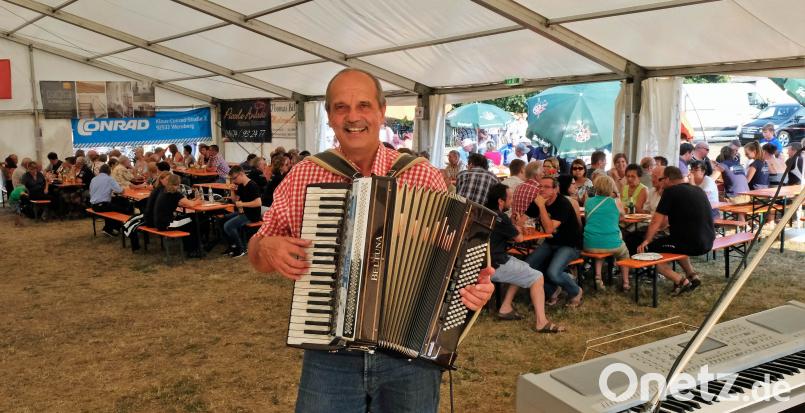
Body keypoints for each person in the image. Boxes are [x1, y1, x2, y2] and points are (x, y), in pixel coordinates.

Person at [247, 68, 492, 413]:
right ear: (330, 116)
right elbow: (256, 252)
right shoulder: (304, 174)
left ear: (381, 111)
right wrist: (266, 247)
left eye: (363, 105)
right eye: (341, 107)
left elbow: (459, 261)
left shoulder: (419, 173)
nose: (353, 117)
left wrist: (477, 288)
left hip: (410, 355)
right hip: (329, 353)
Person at [485, 184, 564, 333]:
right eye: (510, 198)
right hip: (495, 263)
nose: (512, 201)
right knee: (537, 276)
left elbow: (504, 233)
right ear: (501, 201)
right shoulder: (500, 217)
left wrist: (513, 225)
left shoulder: (484, 212)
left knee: (525, 269)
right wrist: (515, 227)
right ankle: (541, 322)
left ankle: (505, 307)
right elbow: (519, 238)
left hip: (484, 260)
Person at [637, 167, 713, 295]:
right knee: (676, 243)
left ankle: (679, 280)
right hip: (708, 241)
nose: (660, 183)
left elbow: (657, 221)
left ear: (667, 179)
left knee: (649, 249)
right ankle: (692, 276)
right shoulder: (697, 189)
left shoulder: (671, 192)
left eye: (661, 180)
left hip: (692, 243)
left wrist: (646, 240)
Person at [524, 176, 583, 307]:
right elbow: (523, 219)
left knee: (553, 273)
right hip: (551, 243)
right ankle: (553, 290)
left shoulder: (563, 204)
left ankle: (576, 291)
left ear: (555, 189)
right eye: (540, 186)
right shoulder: (538, 201)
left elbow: (549, 228)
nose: (541, 189)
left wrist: (541, 206)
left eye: (546, 187)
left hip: (570, 244)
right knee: (528, 266)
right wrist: (517, 219)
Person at [583, 175, 632, 291]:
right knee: (624, 254)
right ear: (612, 187)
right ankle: (626, 283)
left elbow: (587, 219)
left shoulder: (588, 202)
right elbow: (622, 217)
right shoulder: (615, 202)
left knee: (600, 246)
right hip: (612, 245)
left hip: (589, 245)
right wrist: (618, 196)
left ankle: (598, 277)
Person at [152, 174, 202, 257]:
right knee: (192, 221)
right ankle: (192, 250)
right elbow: (191, 204)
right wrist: (198, 201)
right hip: (166, 224)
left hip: (159, 222)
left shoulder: (165, 191)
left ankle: (190, 247)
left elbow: (180, 203)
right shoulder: (175, 193)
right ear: (178, 183)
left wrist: (192, 201)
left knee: (188, 219)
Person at [220, 166, 263, 258]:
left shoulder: (252, 185)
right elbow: (235, 201)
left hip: (252, 215)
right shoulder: (241, 185)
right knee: (222, 220)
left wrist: (243, 204)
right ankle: (232, 246)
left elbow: (258, 203)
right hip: (244, 213)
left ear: (242, 174)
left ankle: (241, 248)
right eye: (232, 179)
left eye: (235, 178)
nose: (234, 181)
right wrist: (232, 190)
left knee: (228, 225)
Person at [89, 164, 123, 236]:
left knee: (113, 205)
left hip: (93, 205)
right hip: (102, 206)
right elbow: (120, 191)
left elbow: (91, 191)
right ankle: (111, 229)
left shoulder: (94, 179)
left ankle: (110, 228)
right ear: (109, 171)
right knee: (122, 209)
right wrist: (123, 188)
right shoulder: (109, 179)